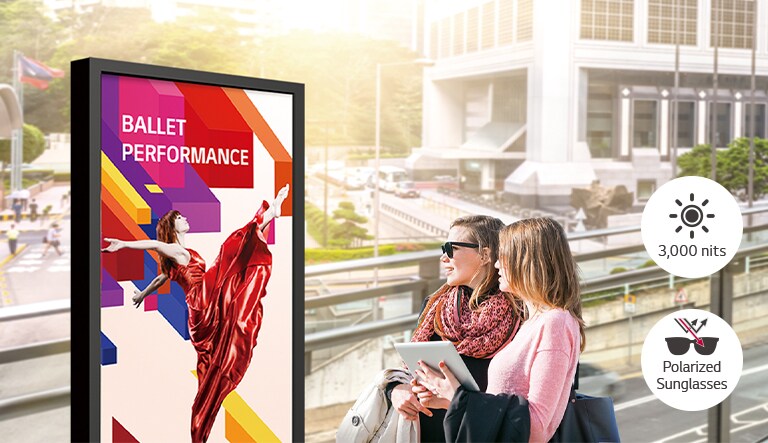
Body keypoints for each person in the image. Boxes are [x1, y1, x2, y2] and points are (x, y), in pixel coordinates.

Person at [102, 184, 289, 443]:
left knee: (213, 361)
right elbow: (154, 244)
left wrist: (143, 293)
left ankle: (200, 428)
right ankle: (268, 216)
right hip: (203, 300)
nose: (185, 219)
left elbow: (162, 278)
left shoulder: (180, 256)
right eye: (180, 218)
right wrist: (123, 244)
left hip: (200, 308)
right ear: (172, 228)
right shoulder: (175, 250)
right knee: (230, 253)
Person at [415, 217, 585, 443]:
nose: (496, 265)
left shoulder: (555, 324)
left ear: (526, 262)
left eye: (503, 257)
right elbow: (504, 404)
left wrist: (458, 397)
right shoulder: (536, 321)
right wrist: (449, 400)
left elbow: (536, 427)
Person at [388, 215, 522, 442]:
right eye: (443, 248)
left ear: (486, 254)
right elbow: (413, 370)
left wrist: (458, 396)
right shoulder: (436, 307)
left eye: (451, 248)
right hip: (432, 430)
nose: (443, 257)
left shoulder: (519, 312)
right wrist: (398, 390)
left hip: (485, 433)